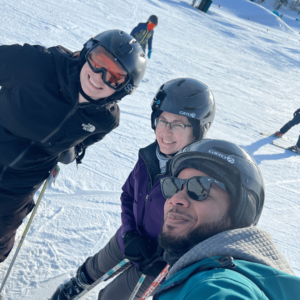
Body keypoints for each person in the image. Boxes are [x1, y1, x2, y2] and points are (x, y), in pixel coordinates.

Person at [50, 78, 216, 300]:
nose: (166, 132)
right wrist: (128, 233)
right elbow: (129, 194)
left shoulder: (199, 179)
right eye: (162, 120)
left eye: (178, 124)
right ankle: (73, 289)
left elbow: (204, 232)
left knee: (113, 297)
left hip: (155, 261)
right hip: (129, 236)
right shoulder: (148, 156)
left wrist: (166, 256)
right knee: (93, 268)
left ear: (197, 131)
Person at [0, 30, 146, 263]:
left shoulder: (106, 119)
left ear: (123, 89)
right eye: (98, 62)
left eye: (114, 76)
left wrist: (72, 151)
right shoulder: (35, 65)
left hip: (24, 180)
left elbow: (88, 139)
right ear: (86, 52)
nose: (99, 77)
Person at [152, 139, 299, 300]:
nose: (176, 198)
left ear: (238, 212)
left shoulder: (218, 286)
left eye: (199, 188)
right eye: (174, 185)